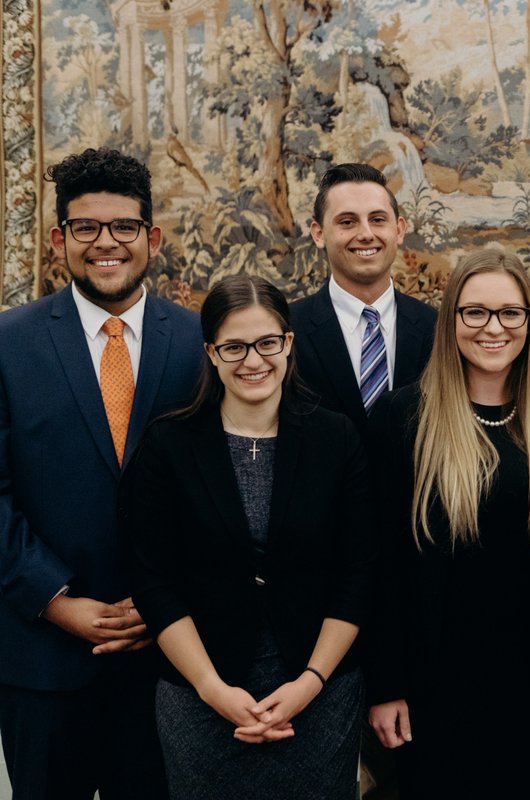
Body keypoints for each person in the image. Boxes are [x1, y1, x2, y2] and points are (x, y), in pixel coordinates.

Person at [120, 275, 374, 799]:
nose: (253, 360)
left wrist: (310, 683)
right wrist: (212, 690)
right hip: (200, 697)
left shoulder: (336, 438)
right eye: (234, 346)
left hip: (319, 695)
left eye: (267, 343)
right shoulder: (168, 445)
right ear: (211, 353)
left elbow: (359, 572)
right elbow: (153, 582)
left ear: (289, 344)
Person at [0, 148, 202, 799]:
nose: (105, 243)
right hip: (41, 658)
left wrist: (163, 600)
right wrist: (58, 602)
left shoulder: (201, 342)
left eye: (123, 227)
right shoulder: (9, 343)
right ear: (60, 239)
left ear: (152, 237)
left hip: (172, 658)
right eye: (86, 227)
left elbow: (221, 490)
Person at [366, 249, 530, 799]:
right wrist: (386, 685)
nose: (493, 328)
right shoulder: (403, 418)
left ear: (529, 324)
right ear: (452, 322)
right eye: (475, 313)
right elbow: (377, 565)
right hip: (429, 689)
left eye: (510, 313)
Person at [292, 162, 437, 434]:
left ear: (399, 229)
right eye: (347, 222)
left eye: (378, 219)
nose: (366, 234)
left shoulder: (437, 328)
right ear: (319, 233)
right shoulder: (286, 331)